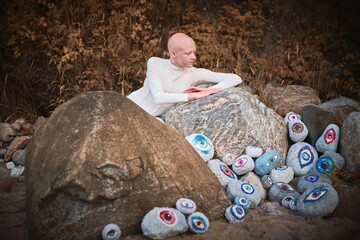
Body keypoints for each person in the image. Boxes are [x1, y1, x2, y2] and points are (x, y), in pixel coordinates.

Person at [127, 33, 242, 117]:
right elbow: (159, 97)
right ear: (173, 53)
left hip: (151, 118)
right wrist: (191, 96)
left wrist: (209, 90)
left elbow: (235, 78)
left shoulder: (193, 73)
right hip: (130, 106)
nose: (193, 57)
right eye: (188, 53)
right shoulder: (155, 63)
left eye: (194, 52)